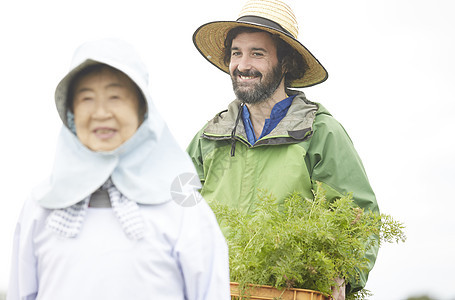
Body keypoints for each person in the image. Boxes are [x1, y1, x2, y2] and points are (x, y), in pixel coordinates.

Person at [7, 38, 230, 300]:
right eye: (86, 98)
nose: (101, 113)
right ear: (70, 113)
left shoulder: (182, 208)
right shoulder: (42, 206)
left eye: (115, 97)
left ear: (142, 110)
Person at [187, 0, 380, 298]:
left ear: (286, 63)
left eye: (257, 53)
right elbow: (173, 204)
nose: (243, 65)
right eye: (236, 53)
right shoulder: (209, 136)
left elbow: (359, 218)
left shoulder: (321, 132)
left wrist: (343, 276)